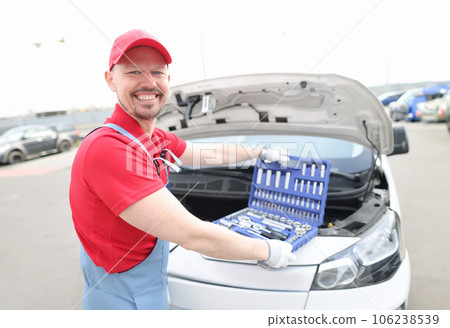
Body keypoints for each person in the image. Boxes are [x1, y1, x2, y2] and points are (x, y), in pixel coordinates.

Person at [69, 29, 295, 310]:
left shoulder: (152, 138)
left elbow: (202, 154)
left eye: (157, 72)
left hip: (147, 286)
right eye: (134, 72)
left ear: (168, 80)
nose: (148, 82)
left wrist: (258, 152)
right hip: (121, 300)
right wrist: (268, 250)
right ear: (110, 79)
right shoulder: (108, 148)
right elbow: (193, 234)